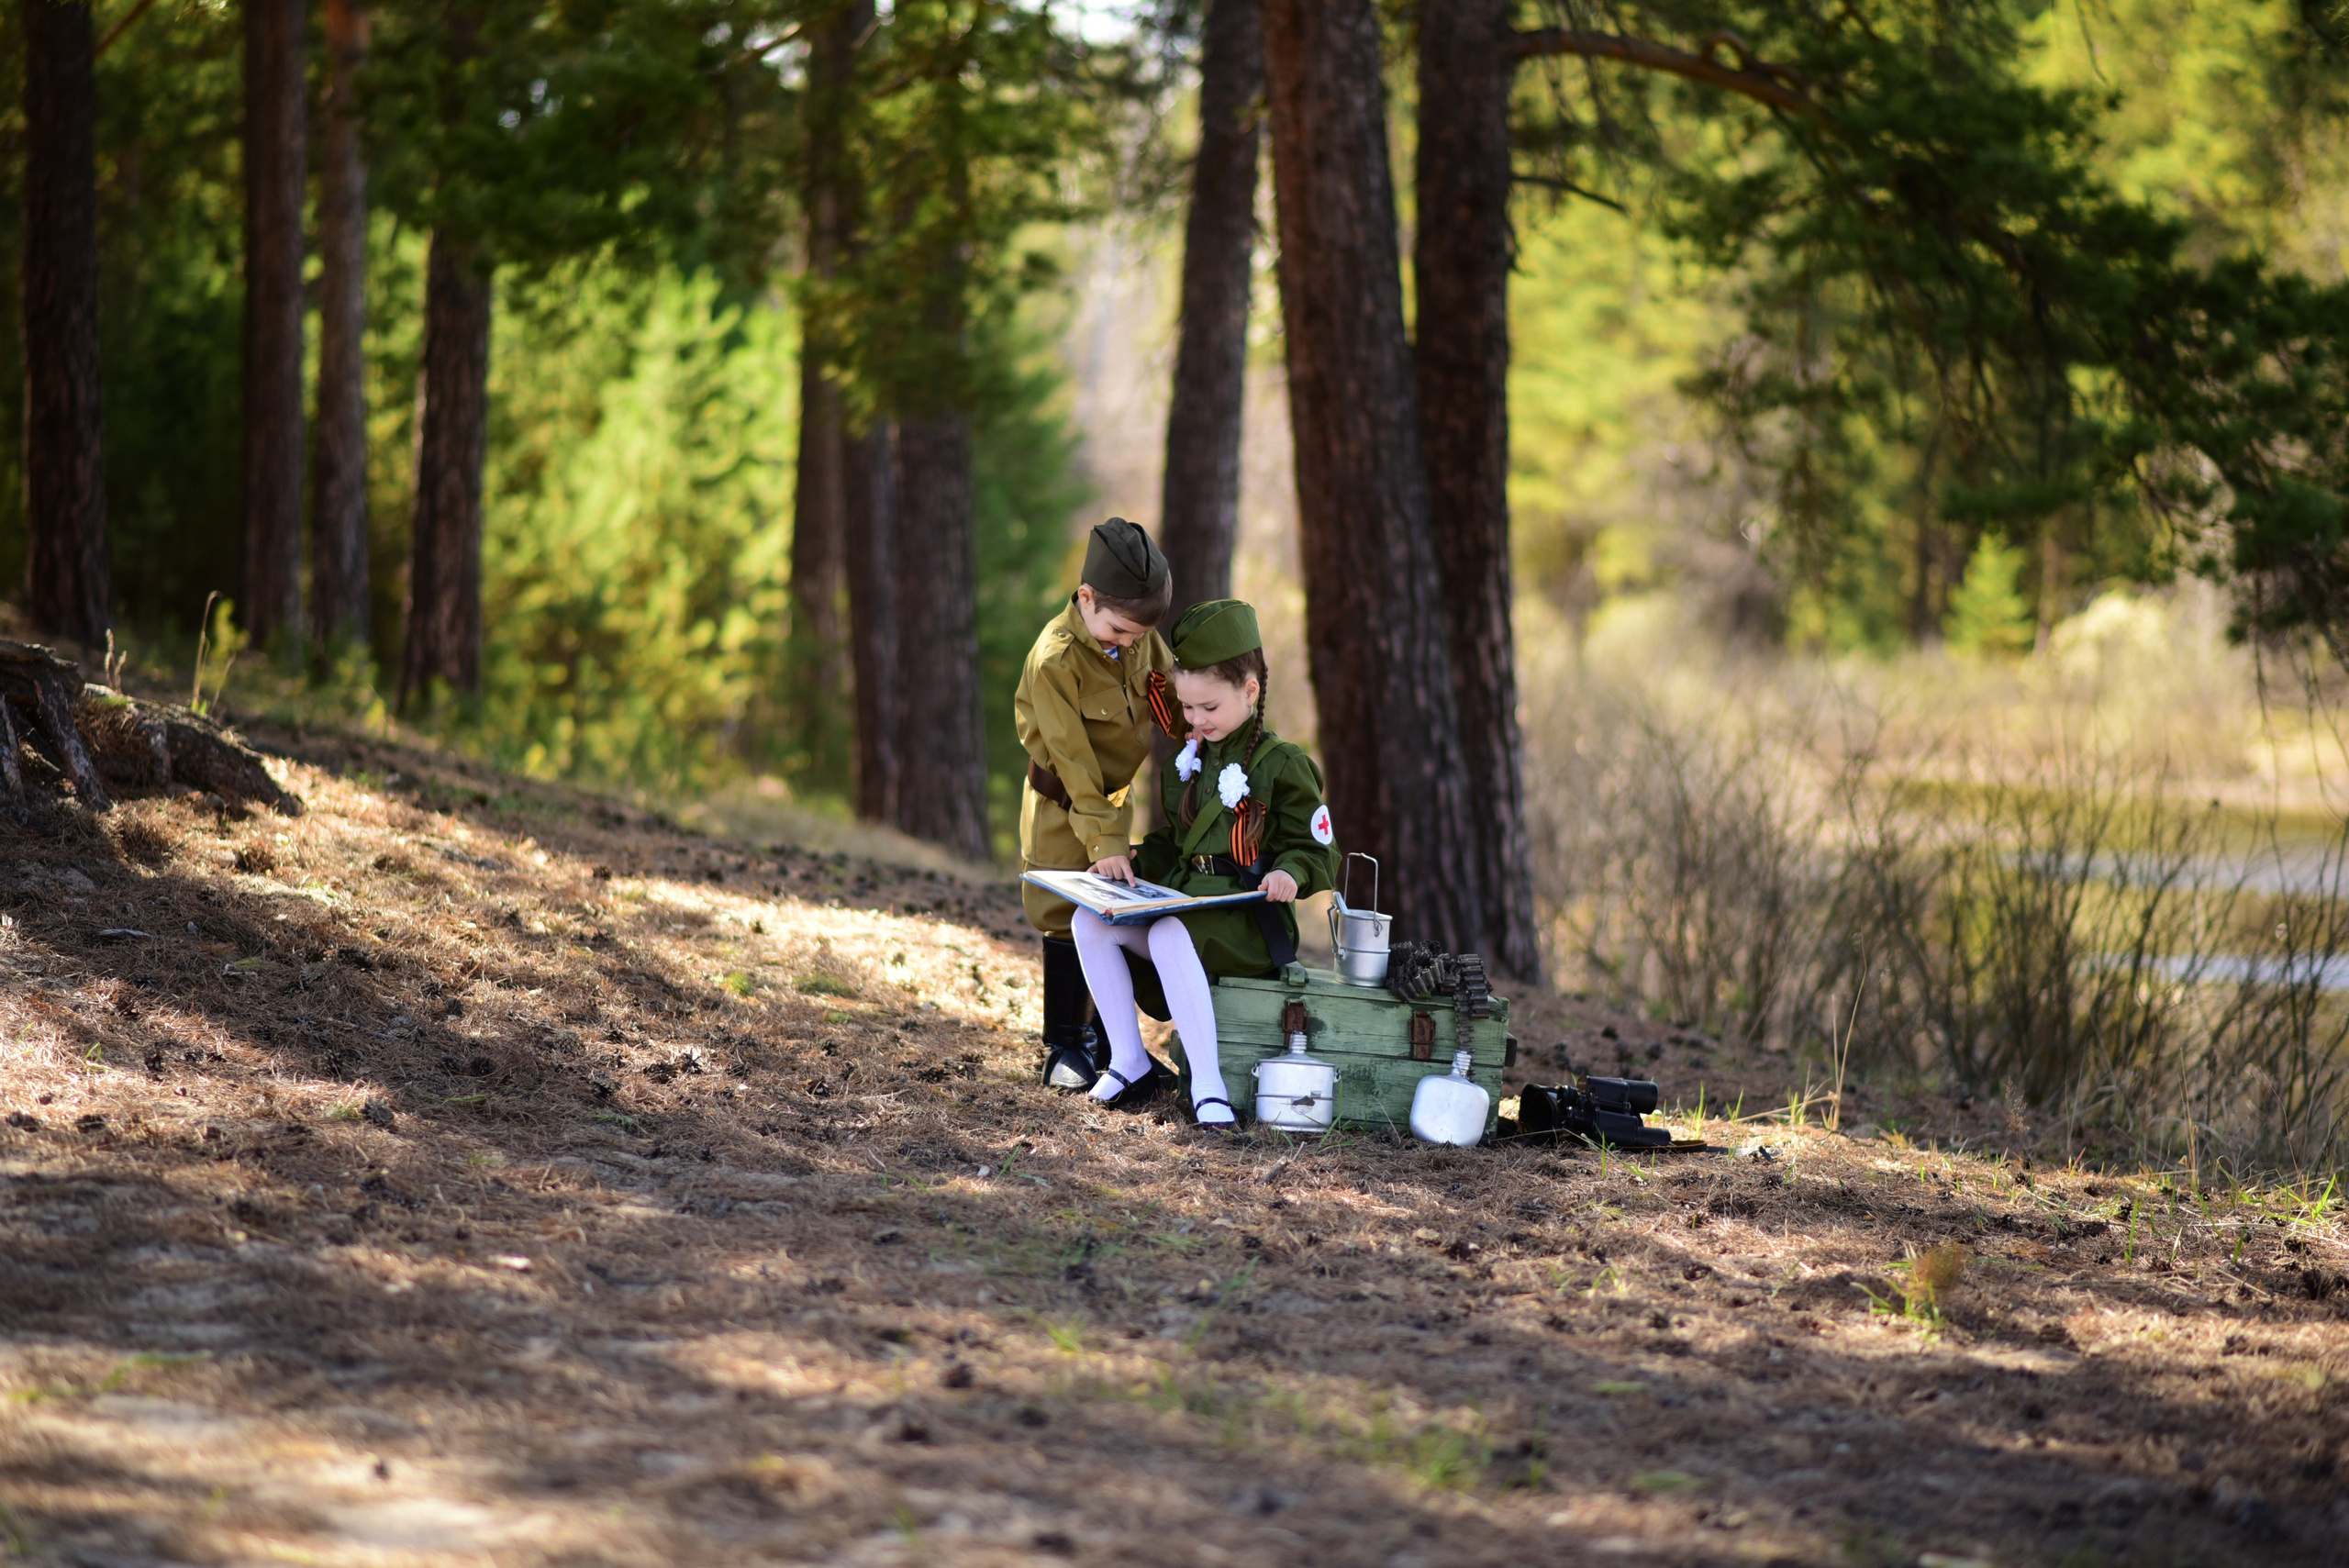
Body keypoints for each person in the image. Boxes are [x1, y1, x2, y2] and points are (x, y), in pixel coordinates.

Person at [1070, 598, 1339, 1129]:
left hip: (1247, 919)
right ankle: (1129, 1061)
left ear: (1250, 690)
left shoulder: (1283, 764)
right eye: (1188, 708)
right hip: (1185, 901)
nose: (1195, 721)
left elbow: (1316, 848)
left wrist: (1291, 873)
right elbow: (1176, 841)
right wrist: (1128, 864)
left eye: (1209, 708)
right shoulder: (1187, 759)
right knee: (1089, 922)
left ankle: (1209, 1087)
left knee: (1170, 933)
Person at [1015, 517, 1182, 1091]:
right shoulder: (1054, 660)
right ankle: (1065, 1045)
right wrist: (1105, 843)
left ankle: (1115, 1046)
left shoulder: (1137, 637)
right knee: (1065, 917)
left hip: (1114, 804)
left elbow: (1170, 696)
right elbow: (1073, 762)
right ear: (1085, 598)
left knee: (1112, 918)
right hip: (1064, 808)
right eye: (1117, 631)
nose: (1129, 644)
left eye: (1137, 636)